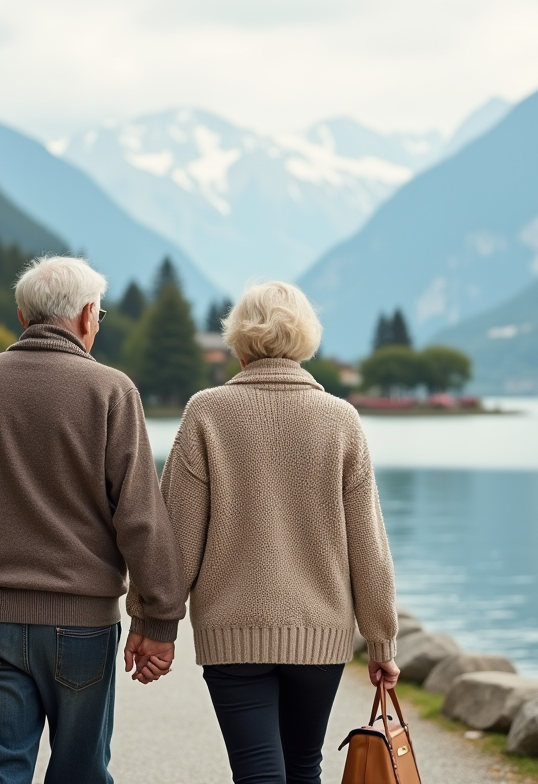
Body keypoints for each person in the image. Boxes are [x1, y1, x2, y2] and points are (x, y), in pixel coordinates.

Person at [0, 256, 186, 784]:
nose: (97, 323)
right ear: (85, 316)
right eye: (98, 314)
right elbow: (141, 520)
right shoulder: (110, 390)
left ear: (21, 316)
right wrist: (158, 622)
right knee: (81, 773)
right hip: (83, 626)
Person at [139, 280, 400, 784]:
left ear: (237, 339)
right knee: (304, 766)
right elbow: (369, 547)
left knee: (257, 770)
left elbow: (176, 543)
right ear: (305, 338)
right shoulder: (341, 419)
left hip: (232, 634)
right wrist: (381, 642)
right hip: (319, 633)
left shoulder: (205, 412)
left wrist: (157, 626)